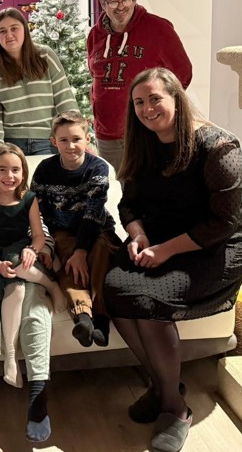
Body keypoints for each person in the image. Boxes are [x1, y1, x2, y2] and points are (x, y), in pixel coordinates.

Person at [103, 67, 242, 452]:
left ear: (177, 98)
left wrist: (165, 250)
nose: (147, 109)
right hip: (158, 241)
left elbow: (225, 223)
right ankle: (165, 386)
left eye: (155, 99)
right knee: (113, 289)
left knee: (149, 302)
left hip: (213, 251)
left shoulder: (218, 147)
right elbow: (129, 205)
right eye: (139, 102)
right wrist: (139, 235)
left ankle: (175, 409)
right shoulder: (143, 144)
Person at [0, 143, 65, 390]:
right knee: (17, 288)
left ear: (23, 172)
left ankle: (51, 285)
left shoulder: (28, 198)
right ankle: (11, 358)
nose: (9, 176)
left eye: (15, 170)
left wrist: (32, 249)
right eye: (2, 170)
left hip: (21, 248)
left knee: (19, 266)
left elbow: (38, 235)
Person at [87, 0, 192, 173]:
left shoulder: (158, 28)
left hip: (146, 131)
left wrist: (159, 111)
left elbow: (182, 74)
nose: (120, 6)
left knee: (148, 186)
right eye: (113, 1)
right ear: (103, 4)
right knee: (115, 188)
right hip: (106, 134)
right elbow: (94, 76)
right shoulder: (95, 35)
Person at [31, 110, 118, 348]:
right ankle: (83, 316)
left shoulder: (97, 167)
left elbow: (94, 211)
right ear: (54, 142)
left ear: (87, 139)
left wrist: (82, 250)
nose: (71, 146)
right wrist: (47, 243)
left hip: (96, 226)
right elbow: (36, 209)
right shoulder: (44, 169)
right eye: (64, 140)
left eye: (76, 139)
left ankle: (100, 317)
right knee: (67, 257)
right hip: (61, 230)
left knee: (100, 250)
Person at [0, 7, 78, 154]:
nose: (9, 35)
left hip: (48, 140)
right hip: (11, 144)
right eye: (2, 31)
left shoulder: (46, 56)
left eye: (14, 28)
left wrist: (74, 137)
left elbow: (65, 100)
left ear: (25, 29)